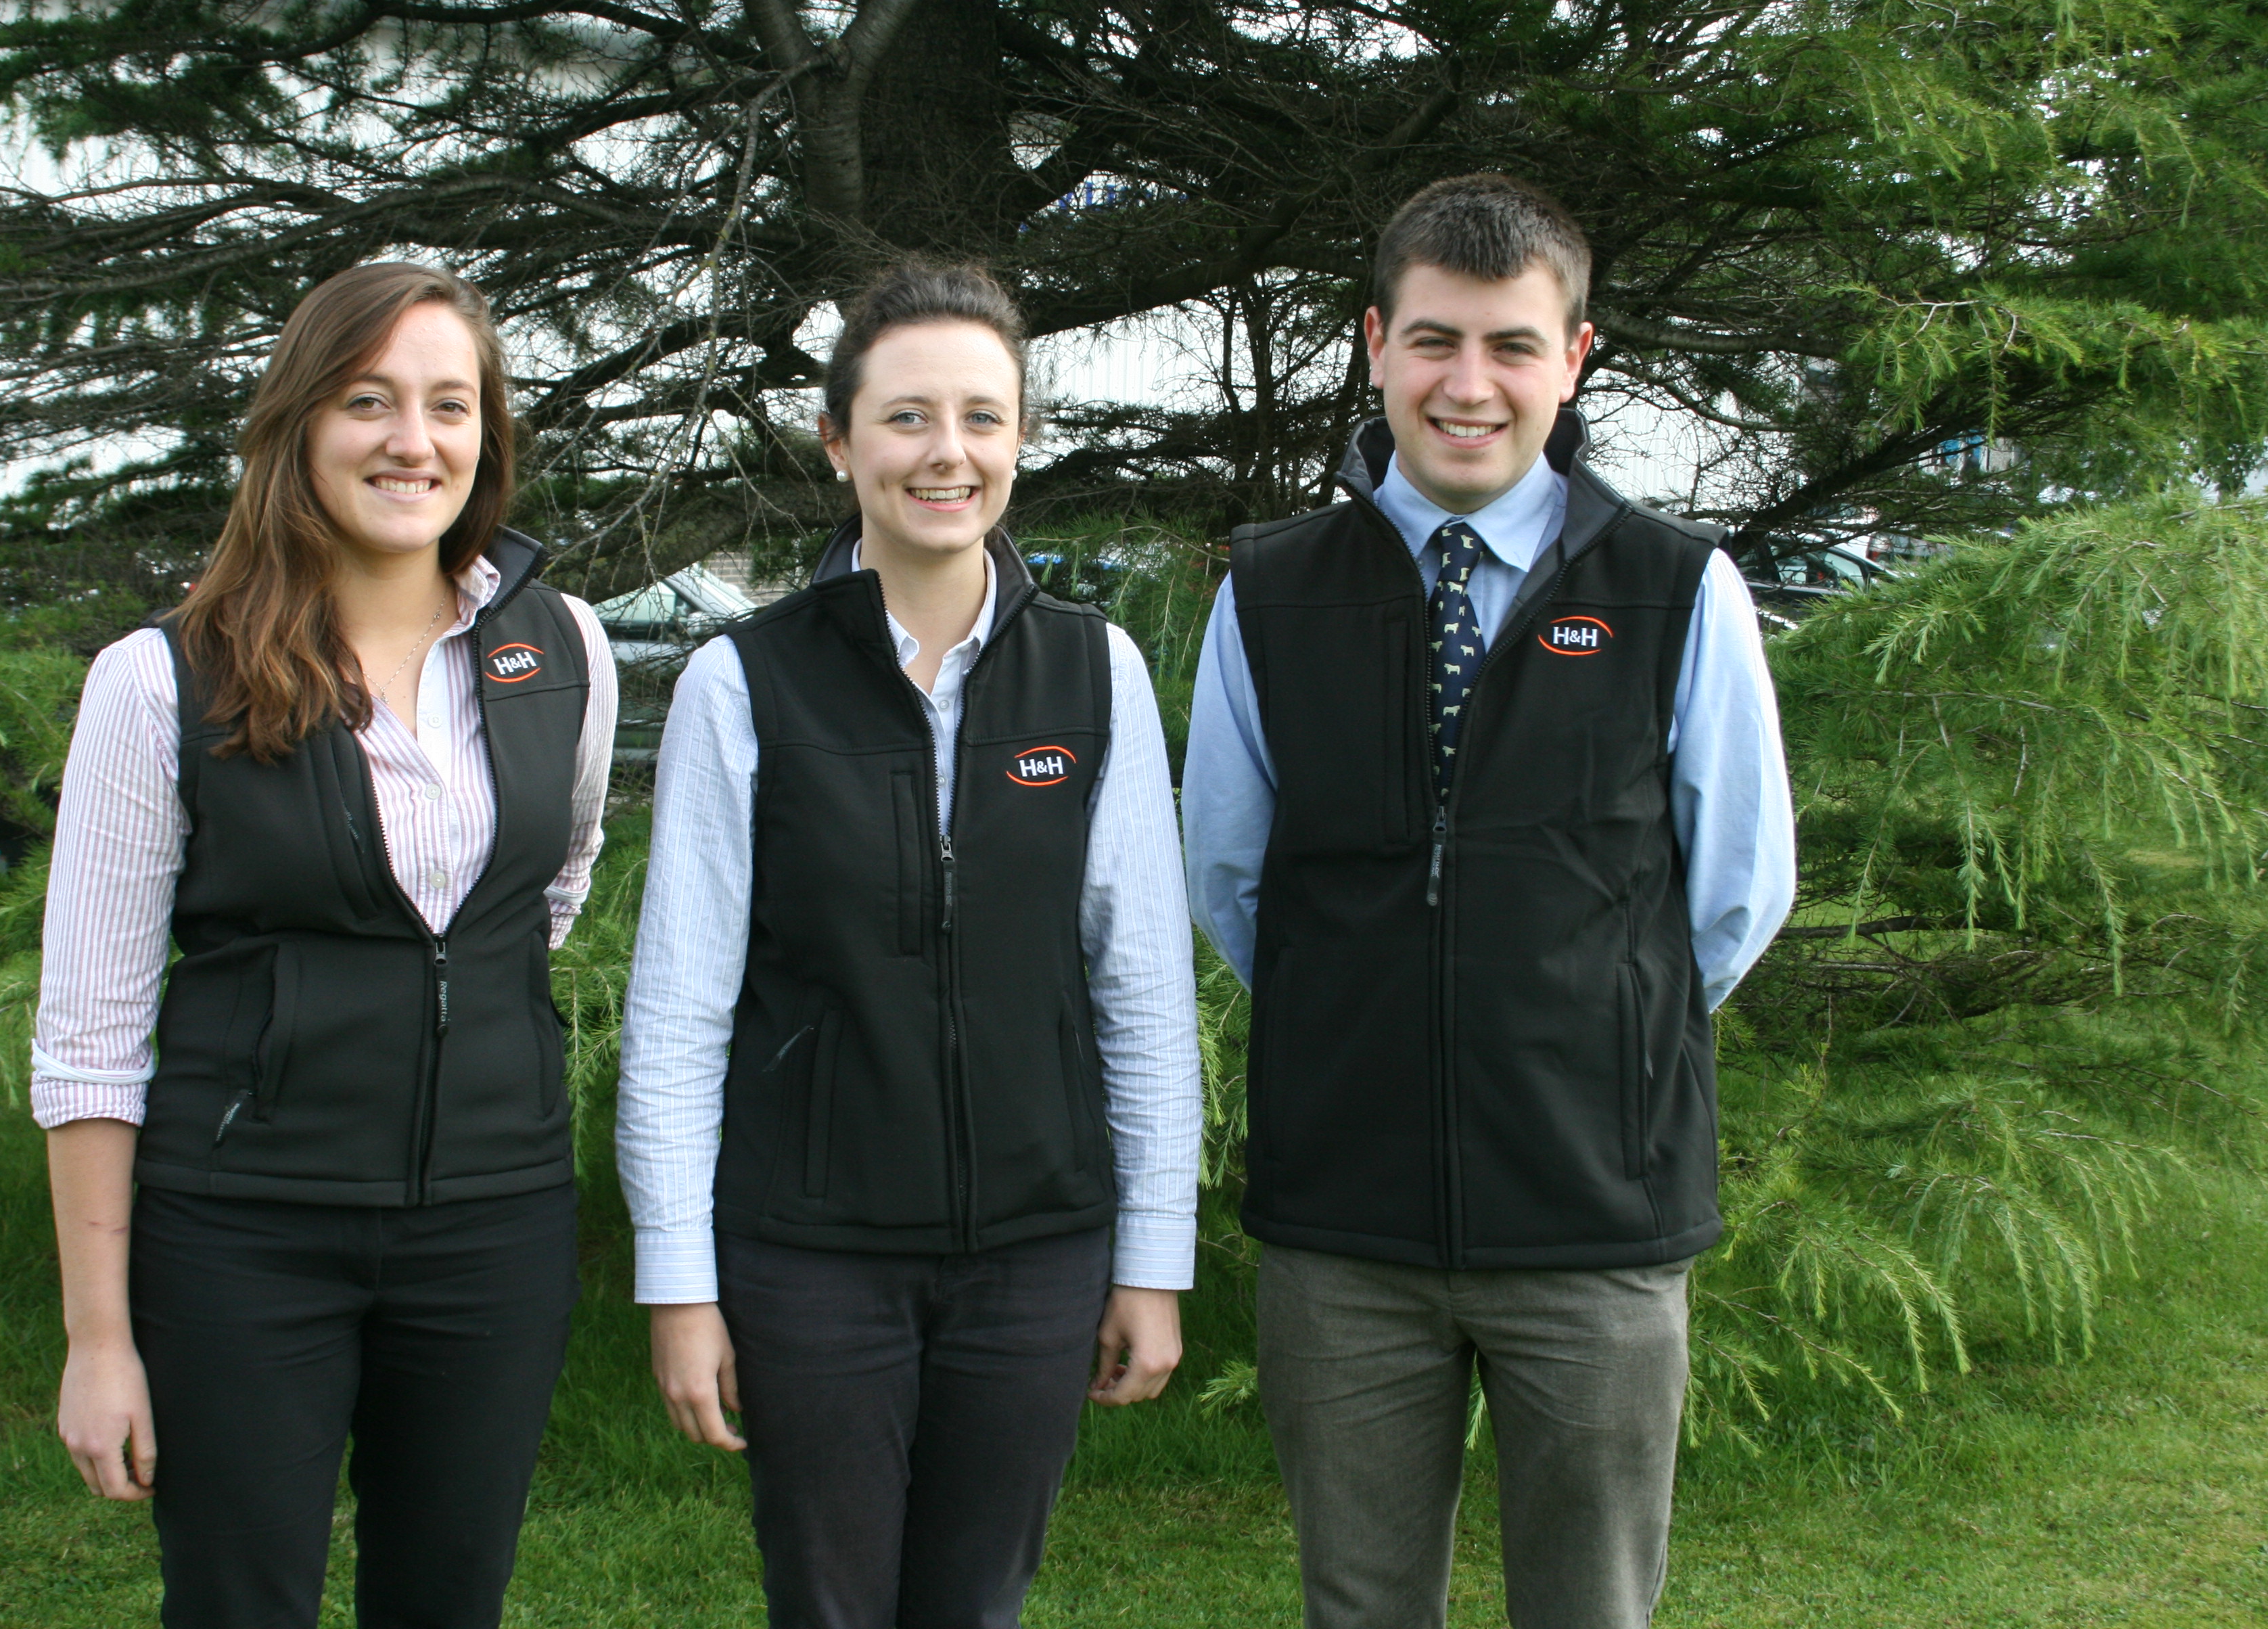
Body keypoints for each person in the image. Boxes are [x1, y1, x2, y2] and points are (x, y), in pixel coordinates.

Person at [1182, 175, 1797, 1628]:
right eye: (1437, 341)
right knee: (1360, 1608)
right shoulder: (1270, 591)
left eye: (1514, 346)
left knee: (1589, 1610)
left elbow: (1735, 891)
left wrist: (1577, 1030)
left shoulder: (1674, 590)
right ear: (1378, 343)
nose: (1472, 385)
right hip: (1347, 1230)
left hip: (1595, 1221)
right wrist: (1377, 1021)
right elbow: (1230, 875)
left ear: (1573, 360)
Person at [616, 260, 1201, 1629]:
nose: (950, 453)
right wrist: (679, 1285)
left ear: (1018, 442)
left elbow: (1142, 991)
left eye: (985, 419)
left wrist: (1150, 1259)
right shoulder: (741, 682)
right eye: (908, 418)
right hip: (810, 1252)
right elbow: (682, 1007)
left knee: (976, 1608)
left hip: (1039, 1249)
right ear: (839, 443)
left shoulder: (1094, 673)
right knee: (828, 1608)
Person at [32, 261, 617, 1629]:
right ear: (298, 424)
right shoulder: (160, 679)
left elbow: (543, 896)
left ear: (487, 436)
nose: (413, 441)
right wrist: (99, 1339)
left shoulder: (567, 652)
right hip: (244, 1236)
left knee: (448, 1602)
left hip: (494, 1226)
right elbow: (92, 1039)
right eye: (370, 401)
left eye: (448, 405)